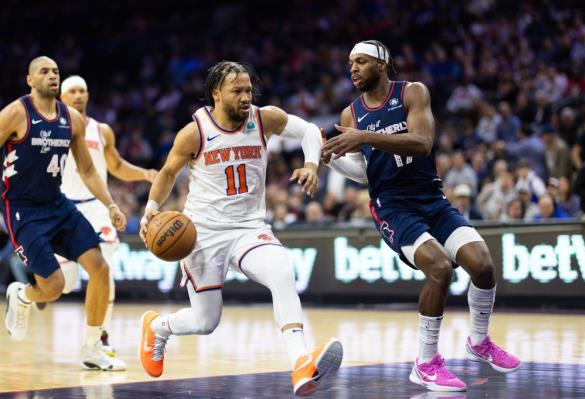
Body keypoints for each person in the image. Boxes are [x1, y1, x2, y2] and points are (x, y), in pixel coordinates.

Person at [322, 40, 520, 392]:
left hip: (431, 197)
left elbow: (422, 142)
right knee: (440, 268)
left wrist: (367, 136)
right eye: (350, 62)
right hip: (393, 207)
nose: (352, 68)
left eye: (361, 62)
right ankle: (426, 363)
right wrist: (332, 157)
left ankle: (479, 341)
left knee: (484, 265)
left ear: (381, 64)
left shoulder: (412, 93)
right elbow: (363, 170)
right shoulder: (350, 115)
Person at [138, 61, 342, 397]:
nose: (246, 96)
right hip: (203, 233)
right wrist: (150, 211)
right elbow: (168, 174)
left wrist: (310, 164)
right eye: (237, 90)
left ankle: (301, 362)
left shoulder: (264, 118)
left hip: (248, 228)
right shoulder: (195, 132)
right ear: (216, 94)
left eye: (249, 89)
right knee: (206, 322)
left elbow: (308, 131)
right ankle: (158, 327)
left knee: (281, 272)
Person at [0, 56, 127, 370]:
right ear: (30, 80)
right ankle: (24, 295)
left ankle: (92, 347)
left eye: (55, 71)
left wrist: (110, 203)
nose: (51, 76)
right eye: (44, 71)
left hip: (58, 205)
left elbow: (86, 168)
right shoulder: (16, 113)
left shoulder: (71, 118)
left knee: (99, 267)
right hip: (22, 211)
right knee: (54, 286)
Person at [51, 75, 158, 356]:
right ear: (61, 97)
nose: (78, 95)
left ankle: (101, 334)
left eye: (82, 91)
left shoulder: (102, 131)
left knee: (105, 265)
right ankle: (37, 290)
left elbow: (117, 166)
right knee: (65, 285)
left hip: (97, 205)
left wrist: (144, 174)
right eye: (72, 91)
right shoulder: (52, 129)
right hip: (63, 208)